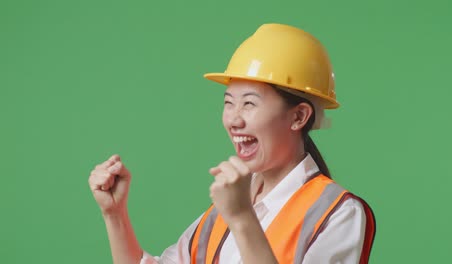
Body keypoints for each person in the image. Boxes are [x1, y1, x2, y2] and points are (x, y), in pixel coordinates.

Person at [88, 23, 376, 264]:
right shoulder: (227, 209)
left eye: (249, 103)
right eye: (229, 103)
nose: (233, 120)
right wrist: (115, 215)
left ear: (299, 116)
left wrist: (241, 218)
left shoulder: (337, 213)